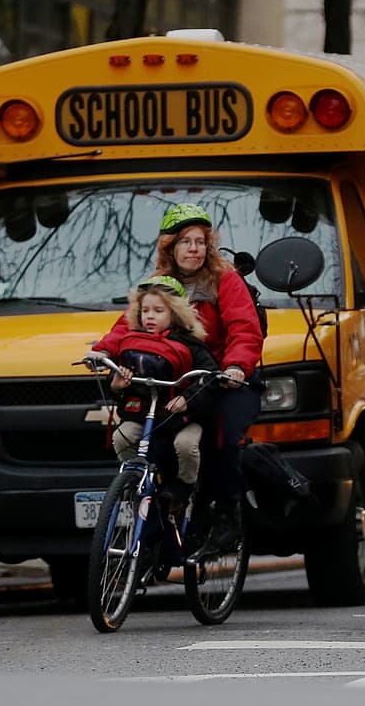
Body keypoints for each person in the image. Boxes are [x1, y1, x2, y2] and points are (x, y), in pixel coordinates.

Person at [88, 203, 265, 560]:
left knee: (223, 433)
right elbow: (129, 325)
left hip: (220, 376)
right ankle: (157, 525)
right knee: (151, 441)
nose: (194, 249)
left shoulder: (225, 279)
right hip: (173, 381)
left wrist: (235, 367)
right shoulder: (159, 283)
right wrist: (103, 351)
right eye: (185, 241)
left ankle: (227, 515)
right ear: (171, 247)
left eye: (200, 242)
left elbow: (245, 329)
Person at [87, 275, 218, 514]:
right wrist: (117, 384)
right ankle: (134, 478)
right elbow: (119, 381)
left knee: (186, 445)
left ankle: (184, 486)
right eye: (145, 310)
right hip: (144, 413)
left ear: (175, 313)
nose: (150, 316)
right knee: (122, 437)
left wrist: (187, 400)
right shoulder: (131, 342)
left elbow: (209, 378)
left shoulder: (191, 345)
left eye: (158, 311)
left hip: (183, 416)